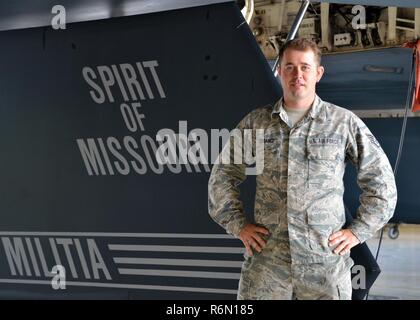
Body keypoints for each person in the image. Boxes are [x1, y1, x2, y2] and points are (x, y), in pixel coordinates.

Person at [208, 38, 397, 300]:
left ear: (318, 73)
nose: (298, 75)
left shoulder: (343, 124)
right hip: (268, 267)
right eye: (290, 67)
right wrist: (238, 225)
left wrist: (357, 231)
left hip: (324, 267)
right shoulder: (256, 123)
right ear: (279, 71)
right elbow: (222, 176)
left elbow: (382, 186)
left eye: (305, 67)